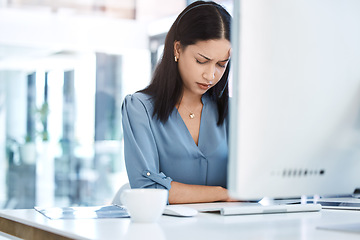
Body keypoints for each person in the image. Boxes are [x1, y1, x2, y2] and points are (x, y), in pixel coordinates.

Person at [121, 1, 232, 204]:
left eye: (221, 65)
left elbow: (255, 186)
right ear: (178, 49)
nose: (210, 75)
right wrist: (223, 193)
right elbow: (147, 189)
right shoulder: (139, 108)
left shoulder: (234, 112)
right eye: (201, 61)